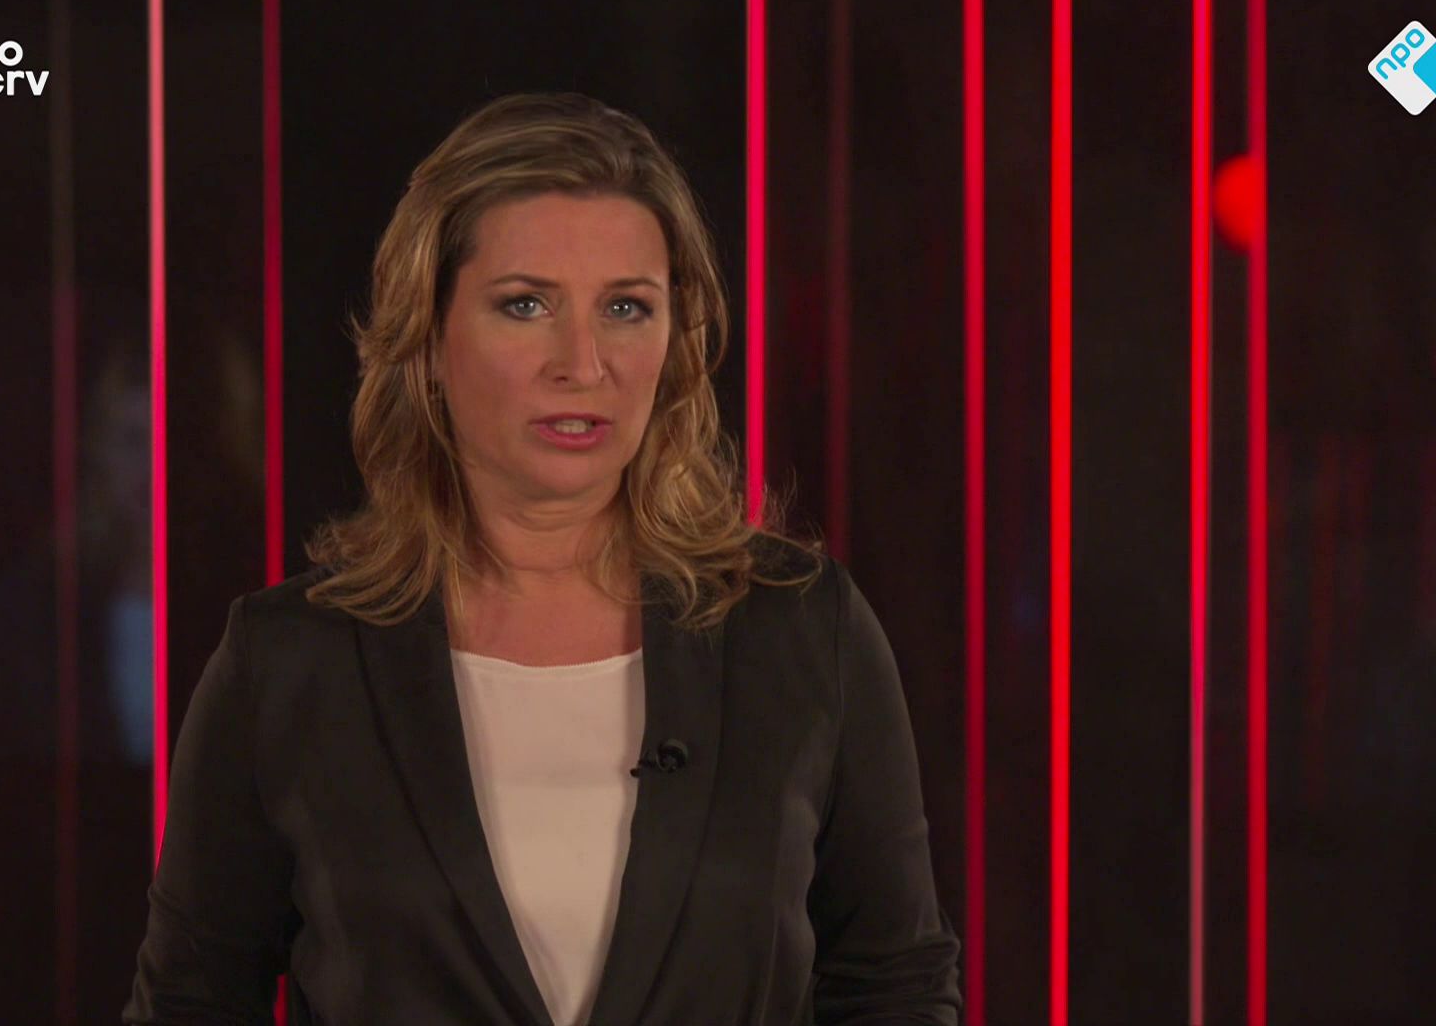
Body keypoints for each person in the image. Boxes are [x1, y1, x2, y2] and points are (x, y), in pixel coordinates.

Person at [123, 92, 961, 1025]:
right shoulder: (288, 664)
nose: (583, 362)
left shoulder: (803, 631)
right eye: (525, 305)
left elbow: (896, 986)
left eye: (626, 308)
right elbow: (188, 1006)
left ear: (676, 342)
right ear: (428, 338)